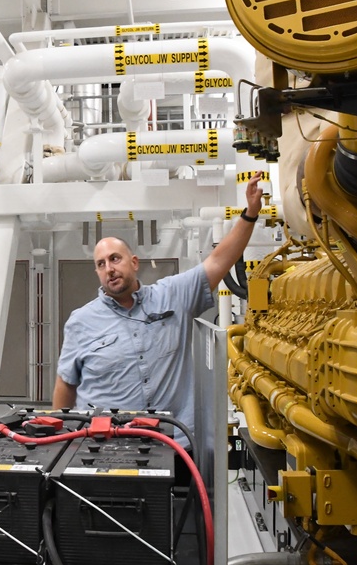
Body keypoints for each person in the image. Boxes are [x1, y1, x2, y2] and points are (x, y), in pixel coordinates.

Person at [53, 172, 264, 447]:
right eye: (101, 264)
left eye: (115, 259)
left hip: (173, 442)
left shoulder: (173, 295)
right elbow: (66, 385)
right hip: (103, 445)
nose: (109, 269)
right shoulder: (81, 321)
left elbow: (218, 261)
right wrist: (60, 442)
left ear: (134, 262)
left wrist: (249, 214)